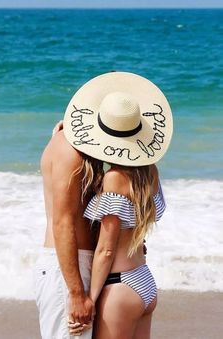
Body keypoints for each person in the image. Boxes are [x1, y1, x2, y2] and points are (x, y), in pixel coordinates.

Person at [62, 71, 173, 338]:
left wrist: (88, 297)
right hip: (144, 280)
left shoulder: (114, 179)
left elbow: (106, 251)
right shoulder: (150, 171)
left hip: (119, 286)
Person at [34, 117, 103, 338]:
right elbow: (62, 222)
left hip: (75, 266)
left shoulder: (83, 147)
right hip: (68, 269)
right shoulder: (69, 148)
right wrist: (75, 293)